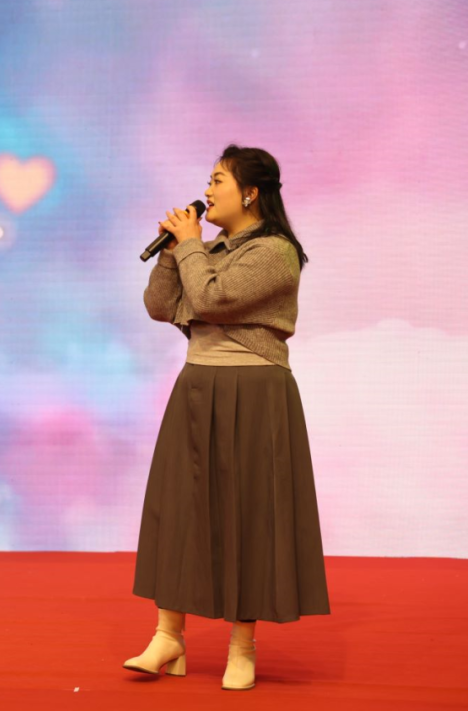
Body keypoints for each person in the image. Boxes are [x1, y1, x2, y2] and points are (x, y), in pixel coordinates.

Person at [123, 145, 331, 691]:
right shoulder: (207, 249)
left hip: (255, 390)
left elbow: (214, 299)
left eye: (218, 180)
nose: (207, 191)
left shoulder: (278, 252)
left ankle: (243, 647)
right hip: (198, 385)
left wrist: (191, 249)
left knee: (248, 514)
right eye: (208, 180)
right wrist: (173, 252)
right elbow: (161, 305)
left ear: (251, 192)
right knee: (180, 508)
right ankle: (168, 636)